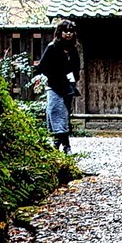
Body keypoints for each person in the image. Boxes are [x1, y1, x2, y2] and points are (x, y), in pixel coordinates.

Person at [37, 19, 81, 153]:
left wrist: (73, 79)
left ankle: (57, 144)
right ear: (60, 32)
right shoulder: (53, 47)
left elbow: (76, 67)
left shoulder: (73, 50)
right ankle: (65, 145)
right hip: (55, 86)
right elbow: (42, 66)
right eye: (65, 31)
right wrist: (56, 74)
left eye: (70, 31)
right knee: (56, 113)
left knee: (64, 115)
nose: (68, 34)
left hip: (68, 87)